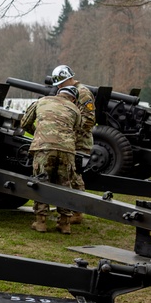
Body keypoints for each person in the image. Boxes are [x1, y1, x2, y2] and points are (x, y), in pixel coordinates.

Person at [20, 85, 82, 234]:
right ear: (73, 98)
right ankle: (64, 223)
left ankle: (40, 222)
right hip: (67, 150)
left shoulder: (41, 101)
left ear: (59, 93)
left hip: (43, 148)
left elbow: (24, 123)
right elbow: (76, 129)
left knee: (41, 183)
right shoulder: (75, 109)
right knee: (65, 185)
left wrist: (40, 134)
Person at [49, 64, 94, 225]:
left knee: (75, 175)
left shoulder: (82, 92)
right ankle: (70, 208)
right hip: (69, 139)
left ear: (66, 80)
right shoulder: (72, 91)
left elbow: (89, 119)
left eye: (60, 84)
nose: (59, 87)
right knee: (69, 174)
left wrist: (70, 131)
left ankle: (77, 211)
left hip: (79, 141)